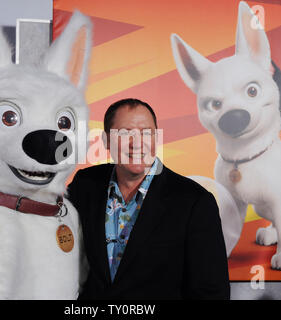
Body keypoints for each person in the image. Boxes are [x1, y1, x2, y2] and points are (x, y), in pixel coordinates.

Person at [67, 98, 230, 300]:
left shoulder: (194, 202)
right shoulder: (85, 185)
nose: (137, 144)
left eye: (146, 133)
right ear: (106, 140)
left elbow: (211, 293)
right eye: (125, 133)